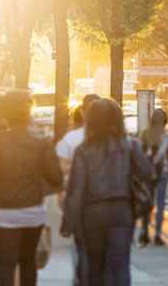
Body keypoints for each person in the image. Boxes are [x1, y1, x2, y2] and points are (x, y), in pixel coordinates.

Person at [0, 90, 63, 286]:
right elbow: (56, 177)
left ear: (5, 114)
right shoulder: (41, 143)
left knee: (6, 263)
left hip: (2, 211)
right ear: (28, 112)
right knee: (28, 262)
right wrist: (40, 188)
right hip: (32, 210)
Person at [64, 99, 153, 286]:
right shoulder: (130, 146)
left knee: (95, 265)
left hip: (92, 213)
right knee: (120, 264)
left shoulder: (84, 150)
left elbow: (76, 190)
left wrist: (69, 222)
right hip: (122, 210)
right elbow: (147, 172)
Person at [56, 94, 100, 286]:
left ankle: (81, 280)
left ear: (82, 111)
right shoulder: (116, 138)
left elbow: (61, 171)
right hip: (107, 202)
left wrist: (62, 196)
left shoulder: (71, 138)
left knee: (81, 246)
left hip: (80, 201)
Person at [138, 108, 168, 246]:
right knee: (160, 204)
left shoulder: (145, 134)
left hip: (149, 172)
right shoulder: (166, 136)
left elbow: (139, 153)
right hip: (161, 172)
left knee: (148, 203)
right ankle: (156, 234)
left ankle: (145, 232)